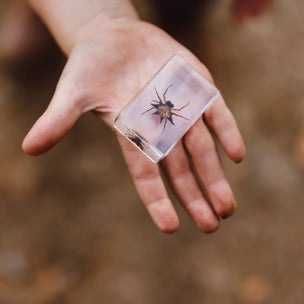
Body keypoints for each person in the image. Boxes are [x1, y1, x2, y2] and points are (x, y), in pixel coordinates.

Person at [16, 0, 245, 233]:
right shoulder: (163, 107)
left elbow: (164, 106)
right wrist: (91, 22)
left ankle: (180, 21)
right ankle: (44, 13)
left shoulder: (163, 108)